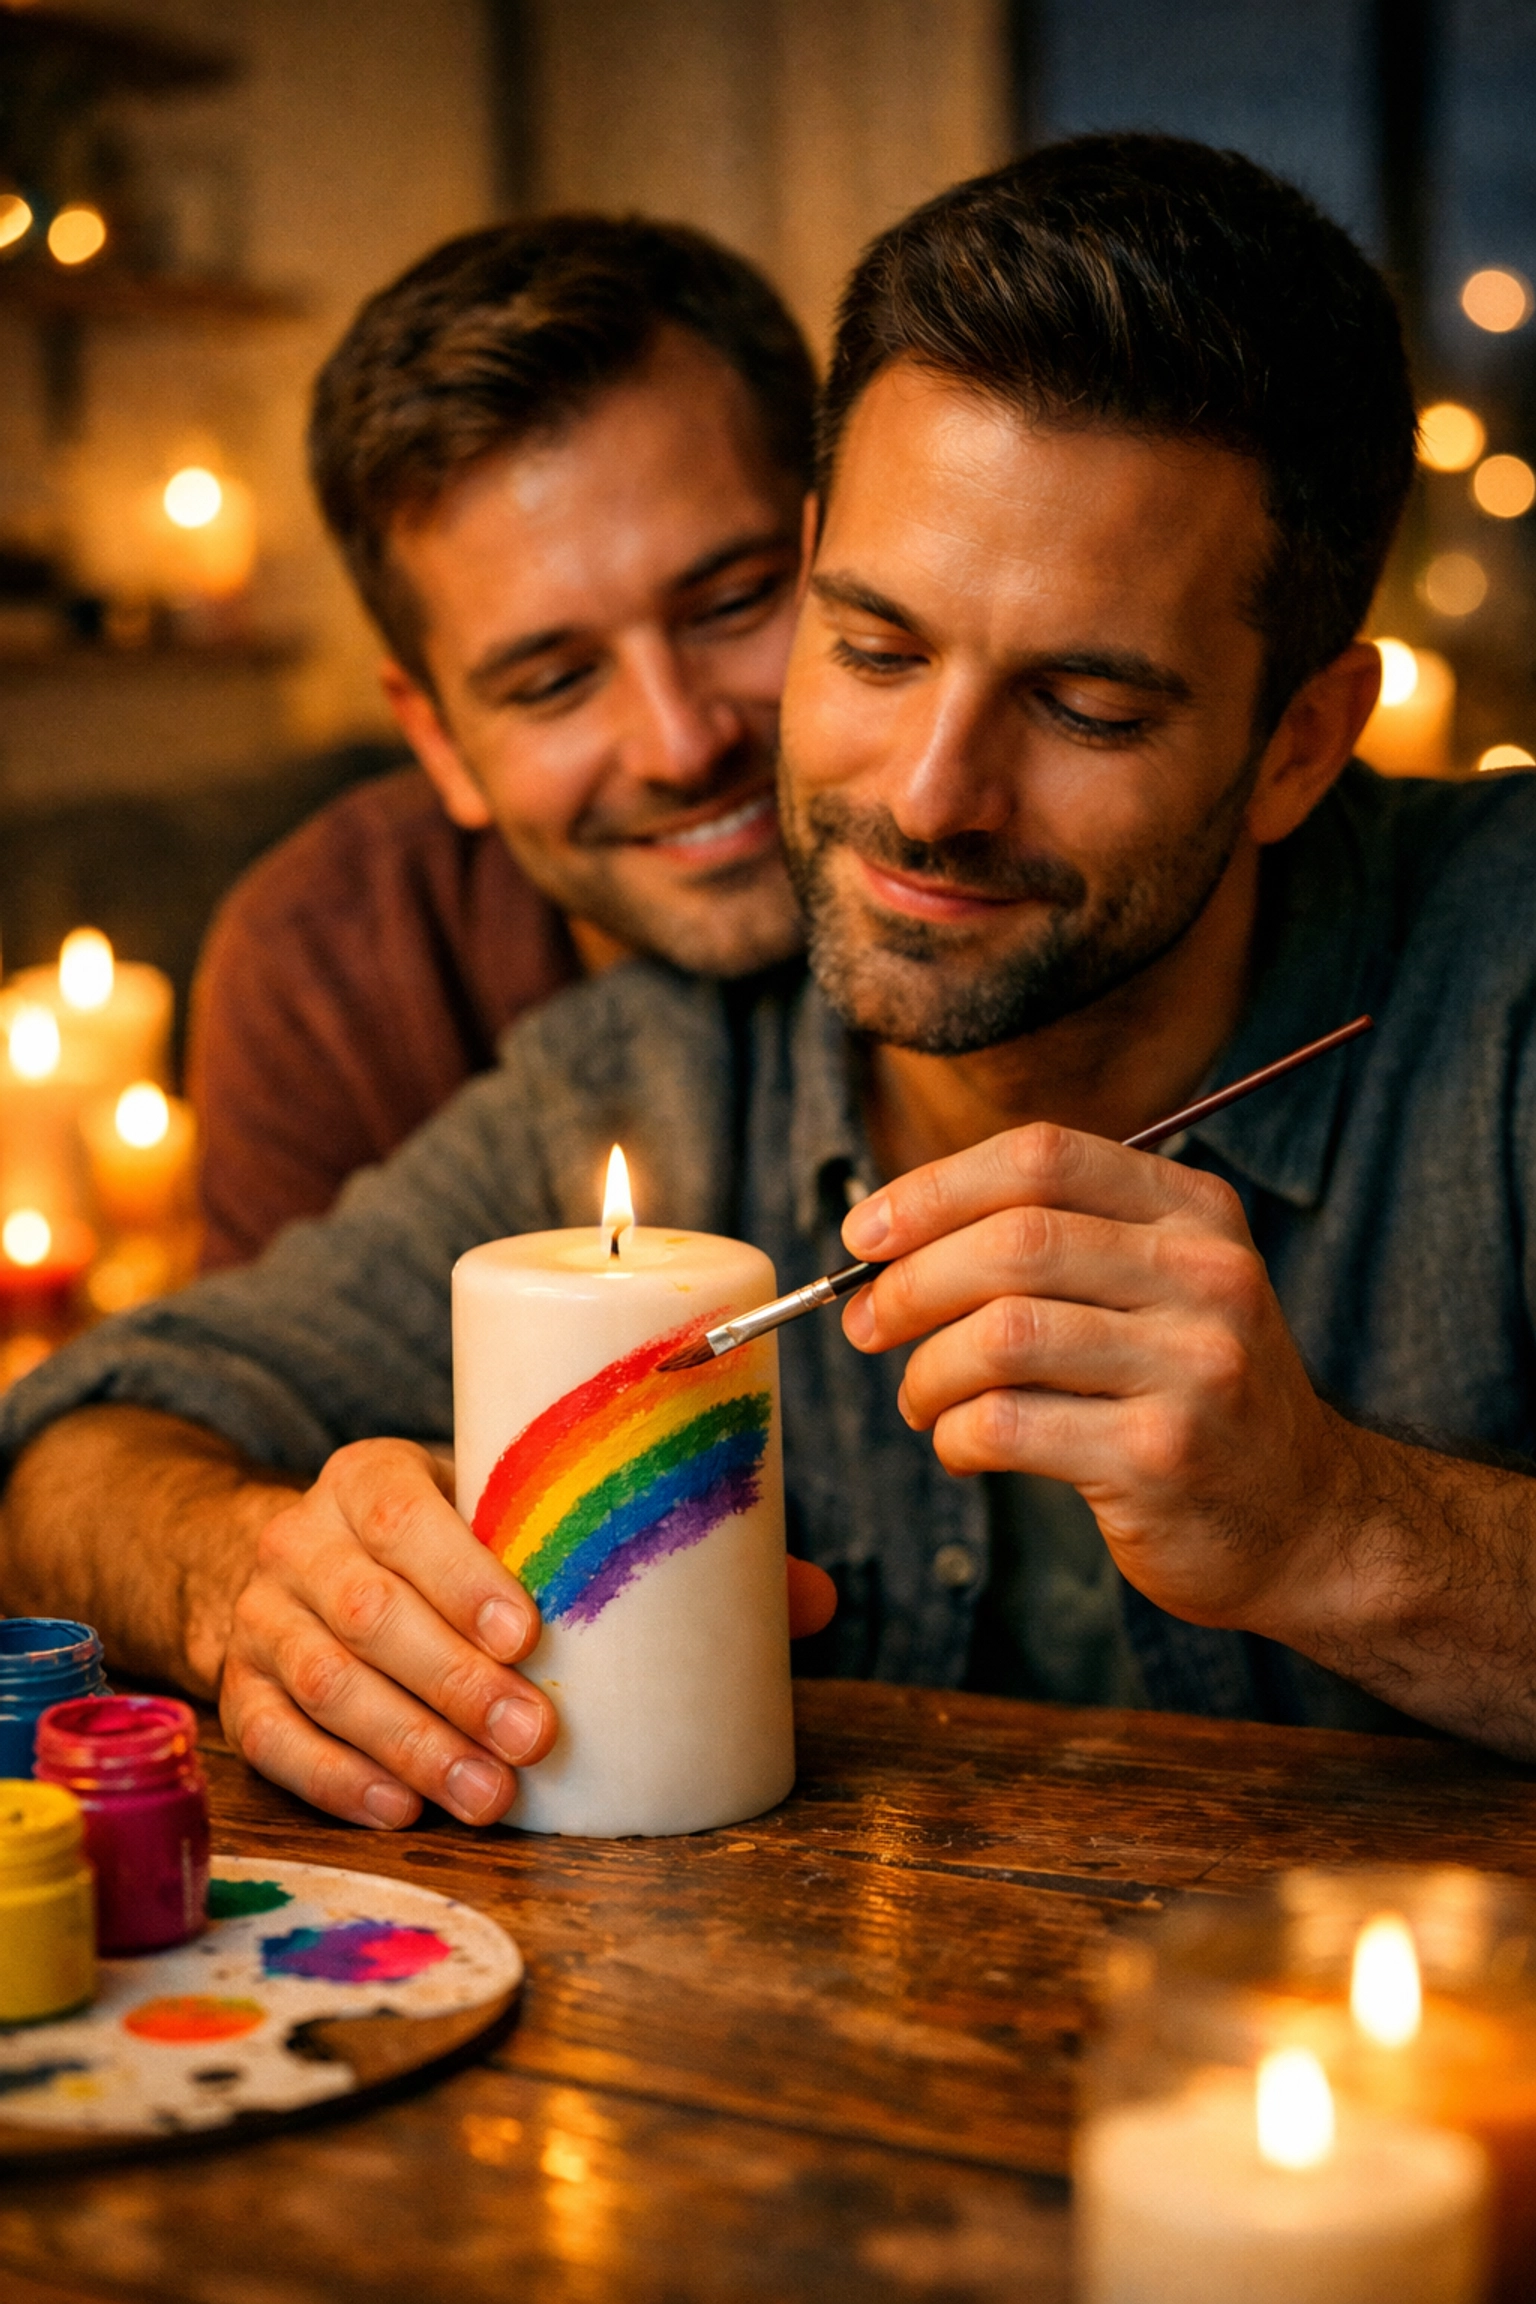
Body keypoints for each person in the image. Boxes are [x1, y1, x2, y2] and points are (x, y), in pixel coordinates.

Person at [7, 136, 1536, 1840]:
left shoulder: (1504, 969)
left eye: (1089, 704)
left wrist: (1340, 1526)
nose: (929, 792)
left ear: (1300, 739)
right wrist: (253, 1573)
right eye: (873, 645)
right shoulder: (650, 1057)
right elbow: (71, 1445)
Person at [189, 215, 815, 1267]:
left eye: (736, 604)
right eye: (556, 682)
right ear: (436, 740)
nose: (679, 744)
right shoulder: (321, 966)